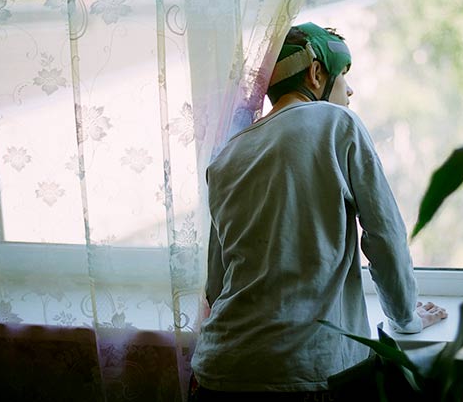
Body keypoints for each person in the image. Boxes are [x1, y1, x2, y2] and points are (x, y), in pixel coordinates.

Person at [190, 22, 447, 400]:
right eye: (343, 75)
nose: (350, 89)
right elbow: (384, 236)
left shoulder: (227, 155)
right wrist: (406, 320)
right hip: (302, 373)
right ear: (316, 74)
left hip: (218, 372)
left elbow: (216, 284)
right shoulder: (337, 123)